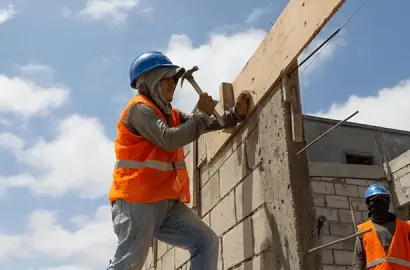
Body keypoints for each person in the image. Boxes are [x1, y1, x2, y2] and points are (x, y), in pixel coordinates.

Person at [106, 51, 251, 270]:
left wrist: (234, 116)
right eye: (167, 78)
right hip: (136, 199)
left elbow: (201, 124)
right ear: (149, 81)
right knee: (128, 265)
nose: (173, 83)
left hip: (165, 202)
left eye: (174, 79)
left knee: (205, 242)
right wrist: (202, 115)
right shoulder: (139, 109)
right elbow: (168, 139)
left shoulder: (170, 113)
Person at [354, 183, 410, 269]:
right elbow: (359, 260)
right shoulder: (363, 230)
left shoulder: (405, 228)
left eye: (382, 200)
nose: (379, 204)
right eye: (375, 201)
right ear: (369, 205)